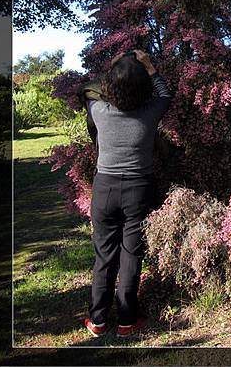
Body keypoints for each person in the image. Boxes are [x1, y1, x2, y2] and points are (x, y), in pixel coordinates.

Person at [82, 49, 172, 338]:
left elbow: (91, 89)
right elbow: (164, 93)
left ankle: (97, 320)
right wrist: (149, 66)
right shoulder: (150, 112)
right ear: (142, 87)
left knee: (104, 256)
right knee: (131, 255)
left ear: (110, 85)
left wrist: (114, 66)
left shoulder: (98, 111)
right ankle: (126, 320)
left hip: (105, 188)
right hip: (138, 190)